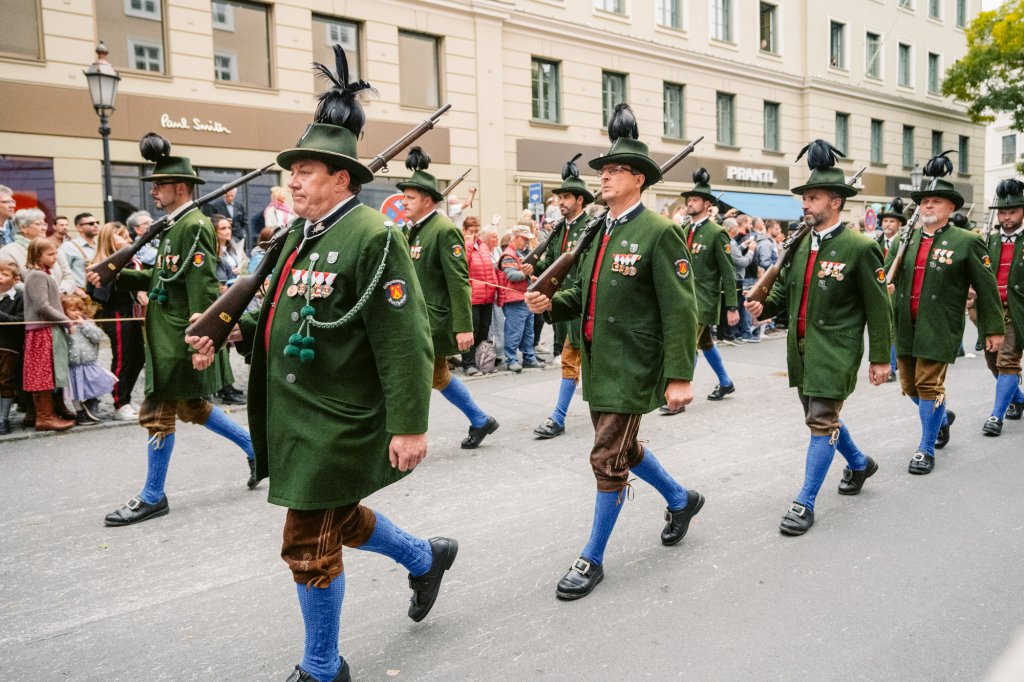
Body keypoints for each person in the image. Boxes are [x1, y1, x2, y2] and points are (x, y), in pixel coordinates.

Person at [187, 48, 458, 682]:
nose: (295, 182)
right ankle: (424, 558)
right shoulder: (300, 236)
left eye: (306, 171)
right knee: (340, 519)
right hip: (297, 411)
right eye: (294, 172)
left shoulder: (373, 236)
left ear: (343, 176)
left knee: (306, 543)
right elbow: (284, 308)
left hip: (337, 417)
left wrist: (411, 425)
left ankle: (322, 667)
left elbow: (404, 340)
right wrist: (231, 332)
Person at [526, 104, 704, 600]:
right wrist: (549, 303)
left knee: (607, 458)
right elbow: (581, 294)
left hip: (634, 365)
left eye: (613, 170)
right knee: (623, 447)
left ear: (639, 179)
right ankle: (679, 498)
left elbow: (680, 311)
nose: (602, 177)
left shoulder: (659, 232)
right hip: (599, 362)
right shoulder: (598, 230)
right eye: (602, 170)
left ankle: (593, 557)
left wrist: (680, 376)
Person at [90, 133, 257, 527]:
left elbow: (200, 286)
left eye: (160, 186)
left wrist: (205, 339)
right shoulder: (174, 225)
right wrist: (114, 275)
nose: (155, 193)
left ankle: (152, 495)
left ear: (180, 187)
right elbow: (165, 279)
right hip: (165, 334)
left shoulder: (193, 226)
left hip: (180, 335)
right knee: (191, 407)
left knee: (157, 412)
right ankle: (255, 447)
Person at [745, 139, 892, 536]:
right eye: (804, 198)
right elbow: (787, 291)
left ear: (835, 202)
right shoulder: (799, 245)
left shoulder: (860, 248)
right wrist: (765, 307)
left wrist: (880, 358)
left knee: (821, 422)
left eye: (813, 198)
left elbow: (879, 308)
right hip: (802, 350)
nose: (805, 205)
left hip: (836, 351)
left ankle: (804, 502)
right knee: (821, 420)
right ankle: (860, 464)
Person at [885, 153, 1003, 474]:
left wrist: (991, 329)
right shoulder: (904, 240)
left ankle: (925, 449)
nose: (928, 206)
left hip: (940, 326)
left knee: (929, 387)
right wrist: (885, 287)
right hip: (905, 325)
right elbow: (884, 276)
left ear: (951, 207)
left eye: (936, 201)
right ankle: (942, 416)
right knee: (910, 387)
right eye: (924, 201)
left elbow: (988, 288)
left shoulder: (966, 242)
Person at [398, 147, 499, 449]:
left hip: (433, 319)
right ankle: (480, 420)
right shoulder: (412, 230)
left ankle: (401, 434)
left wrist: (463, 325)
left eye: (410, 198)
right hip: (416, 317)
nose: (404, 202)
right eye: (404, 197)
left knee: (413, 374)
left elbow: (458, 281)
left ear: (427, 200)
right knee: (438, 376)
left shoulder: (443, 230)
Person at [661, 168, 739, 416]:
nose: (689, 203)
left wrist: (732, 306)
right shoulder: (685, 229)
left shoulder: (717, 233)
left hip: (704, 300)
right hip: (686, 298)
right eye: (688, 200)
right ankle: (726, 382)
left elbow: (728, 272)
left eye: (694, 200)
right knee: (705, 343)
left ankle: (680, 396)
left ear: (707, 204)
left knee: (687, 344)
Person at [533, 153, 594, 438]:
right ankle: (561, 416)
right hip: (566, 308)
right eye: (560, 197)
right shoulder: (561, 229)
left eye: (567, 197)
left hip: (585, 306)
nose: (561, 201)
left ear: (580, 200)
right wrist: (535, 270)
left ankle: (560, 417)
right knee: (572, 359)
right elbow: (553, 262)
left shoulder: (589, 229)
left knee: (584, 362)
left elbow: (585, 271)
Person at [980, 179, 1024, 436]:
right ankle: (1017, 398)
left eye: (1013, 211)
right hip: (992, 313)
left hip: (1018, 312)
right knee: (992, 362)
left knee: (1007, 360)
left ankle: (996, 416)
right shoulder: (989, 241)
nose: (1006, 217)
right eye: (1003, 212)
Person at [89, 222, 145, 421]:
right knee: (123, 358)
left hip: (132, 312)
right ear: (110, 239)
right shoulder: (102, 263)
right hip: (117, 313)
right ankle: (120, 403)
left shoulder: (129, 259)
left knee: (139, 356)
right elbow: (99, 294)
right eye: (121, 236)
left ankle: (126, 398)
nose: (127, 239)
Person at [22, 237, 75, 432]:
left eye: (55, 253)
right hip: (41, 330)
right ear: (37, 255)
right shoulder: (36, 276)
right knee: (41, 374)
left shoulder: (43, 274)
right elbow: (42, 306)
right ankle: (44, 417)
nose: (55, 258)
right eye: (50, 254)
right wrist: (66, 321)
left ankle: (52, 412)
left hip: (47, 329)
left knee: (51, 373)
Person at [61, 294, 117, 424]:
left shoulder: (88, 323)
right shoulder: (63, 327)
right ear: (64, 312)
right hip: (73, 364)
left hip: (89, 363)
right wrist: (68, 330)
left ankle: (91, 401)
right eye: (73, 310)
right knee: (75, 391)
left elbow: (97, 337)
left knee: (101, 381)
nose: (77, 313)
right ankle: (80, 413)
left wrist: (85, 325)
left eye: (79, 309)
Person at [0, 208, 78, 295]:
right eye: (38, 224)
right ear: (23, 228)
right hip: (28, 304)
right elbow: (11, 281)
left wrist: (62, 292)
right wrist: (41, 295)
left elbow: (68, 276)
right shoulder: (8, 251)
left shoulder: (53, 247)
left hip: (60, 302)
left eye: (44, 224)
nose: (44, 228)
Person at [498, 225, 543, 372]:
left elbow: (523, 274)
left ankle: (529, 358)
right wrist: (525, 274)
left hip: (523, 296)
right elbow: (512, 275)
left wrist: (531, 277)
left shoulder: (520, 253)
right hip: (514, 299)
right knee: (514, 331)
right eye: (524, 239)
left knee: (528, 331)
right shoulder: (508, 255)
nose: (526, 242)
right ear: (516, 238)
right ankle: (511, 359)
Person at [212, 214, 246, 405]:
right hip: (221, 300)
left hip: (231, 299)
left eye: (228, 227)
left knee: (227, 346)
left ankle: (227, 385)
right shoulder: (214, 252)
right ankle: (224, 388)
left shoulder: (230, 250)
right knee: (221, 345)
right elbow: (218, 281)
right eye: (222, 228)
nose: (227, 231)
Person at [461, 215, 496, 375]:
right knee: (471, 331)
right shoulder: (463, 245)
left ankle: (481, 361)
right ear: (465, 230)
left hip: (487, 297)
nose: (475, 234)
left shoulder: (483, 246)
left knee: (483, 330)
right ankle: (468, 364)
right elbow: (462, 266)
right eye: (471, 231)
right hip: (473, 297)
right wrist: (468, 243)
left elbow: (489, 269)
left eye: (477, 231)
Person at [877, 198, 907, 381]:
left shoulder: (903, 241)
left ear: (899, 224)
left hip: (897, 291)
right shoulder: (876, 242)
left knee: (894, 330)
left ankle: (892, 368)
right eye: (885, 221)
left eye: (892, 221)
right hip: (880, 290)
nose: (887, 224)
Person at [0, 260, 24, 434]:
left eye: (4, 274)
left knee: (5, 380)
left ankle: (3, 418)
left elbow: (21, 322)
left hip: (8, 347)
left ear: (15, 279)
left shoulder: (19, 297)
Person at [204, 186, 249, 252]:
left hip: (238, 237)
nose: (230, 198)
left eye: (232, 195)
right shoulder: (217, 205)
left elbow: (245, 221)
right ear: (224, 195)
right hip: (223, 236)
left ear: (235, 195)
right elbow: (213, 220)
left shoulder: (239, 206)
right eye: (228, 196)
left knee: (237, 256)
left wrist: (243, 233)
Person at [61, 213, 99, 289]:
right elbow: (63, 274)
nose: (96, 225)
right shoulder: (68, 247)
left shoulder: (100, 245)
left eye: (97, 223)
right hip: (80, 295)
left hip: (99, 294)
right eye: (91, 223)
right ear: (79, 227)